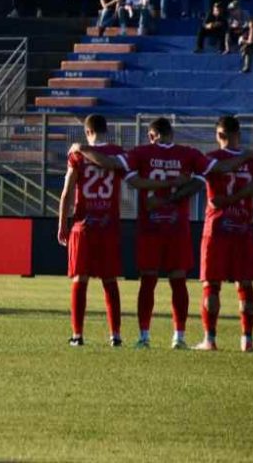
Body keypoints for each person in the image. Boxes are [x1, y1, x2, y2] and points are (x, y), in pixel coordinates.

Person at [75, 118, 218, 349]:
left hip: (150, 228)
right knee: (178, 282)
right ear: (171, 133)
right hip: (177, 228)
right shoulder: (188, 153)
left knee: (148, 282)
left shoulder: (141, 152)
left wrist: (81, 148)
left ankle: (144, 337)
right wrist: (174, 189)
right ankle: (179, 337)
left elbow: (112, 165)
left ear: (151, 135)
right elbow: (202, 180)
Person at [194, 116, 253, 351]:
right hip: (243, 227)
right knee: (245, 284)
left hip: (216, 228)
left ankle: (210, 339)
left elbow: (214, 197)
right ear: (239, 133)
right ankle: (247, 340)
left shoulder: (212, 159)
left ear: (218, 135)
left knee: (211, 285)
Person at [58, 114, 128, 347]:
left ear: (88, 132)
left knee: (80, 278)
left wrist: (62, 224)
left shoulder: (77, 154)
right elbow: (119, 169)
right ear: (106, 129)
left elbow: (67, 192)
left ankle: (77, 335)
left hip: (83, 225)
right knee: (110, 280)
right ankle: (115, 335)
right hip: (108, 224)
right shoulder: (118, 153)